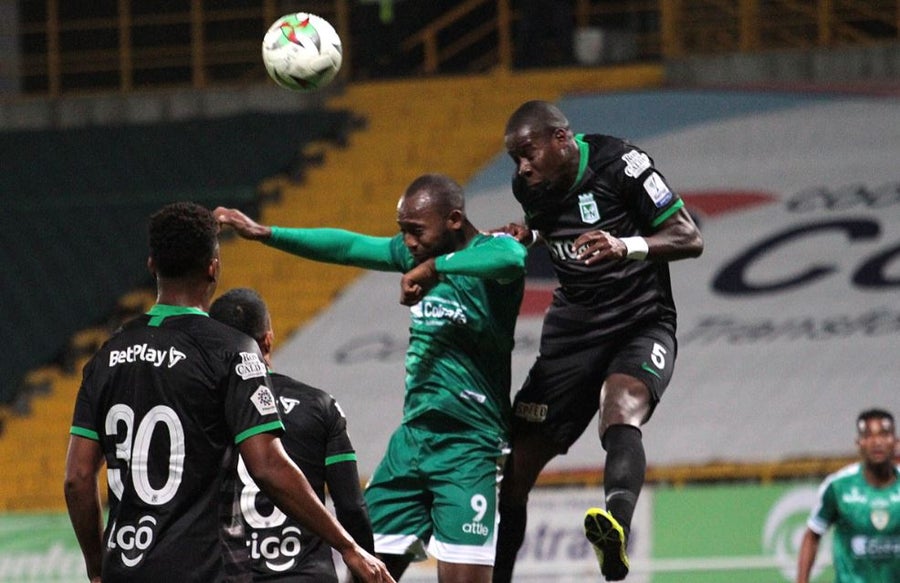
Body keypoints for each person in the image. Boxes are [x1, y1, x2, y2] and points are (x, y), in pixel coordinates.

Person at [214, 173, 527, 583]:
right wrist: (266, 233)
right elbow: (346, 247)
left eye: (416, 231)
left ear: (454, 220)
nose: (408, 242)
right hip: (412, 443)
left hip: (469, 445)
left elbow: (513, 259)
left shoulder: (490, 254)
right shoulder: (413, 254)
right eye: (403, 231)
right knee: (365, 572)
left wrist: (435, 268)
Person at [63, 202, 393, 583]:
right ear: (213, 267)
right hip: (205, 570)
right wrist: (349, 547)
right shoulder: (231, 351)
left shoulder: (107, 355)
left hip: (126, 570)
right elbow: (267, 466)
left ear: (152, 265)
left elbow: (78, 478)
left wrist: (97, 568)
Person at [492, 100, 704, 582]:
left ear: (561, 139)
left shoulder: (622, 165)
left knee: (620, 408)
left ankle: (616, 532)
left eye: (528, 154)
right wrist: (529, 236)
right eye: (515, 159)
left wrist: (624, 245)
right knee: (515, 470)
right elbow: (555, 229)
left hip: (640, 320)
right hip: (573, 332)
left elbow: (689, 237)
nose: (522, 167)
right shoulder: (529, 185)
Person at [209, 287, 375, 582]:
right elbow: (351, 507)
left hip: (228, 573)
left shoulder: (198, 410)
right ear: (268, 339)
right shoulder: (320, 406)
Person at [796, 408, 900, 583]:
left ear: (896, 442)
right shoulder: (839, 487)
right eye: (868, 436)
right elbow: (813, 534)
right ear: (859, 443)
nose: (877, 442)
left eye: (884, 435)